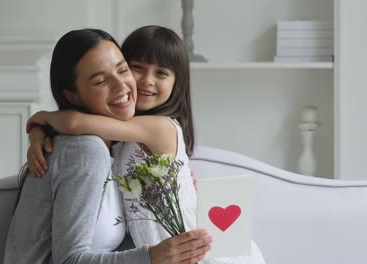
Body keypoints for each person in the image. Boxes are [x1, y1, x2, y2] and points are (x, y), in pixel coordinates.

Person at [26, 26, 266, 264]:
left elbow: (76, 121)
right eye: (137, 68)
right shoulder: (114, 137)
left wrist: (41, 119)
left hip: (199, 251)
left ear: (177, 84)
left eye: (161, 73)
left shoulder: (159, 128)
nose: (146, 81)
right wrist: (42, 134)